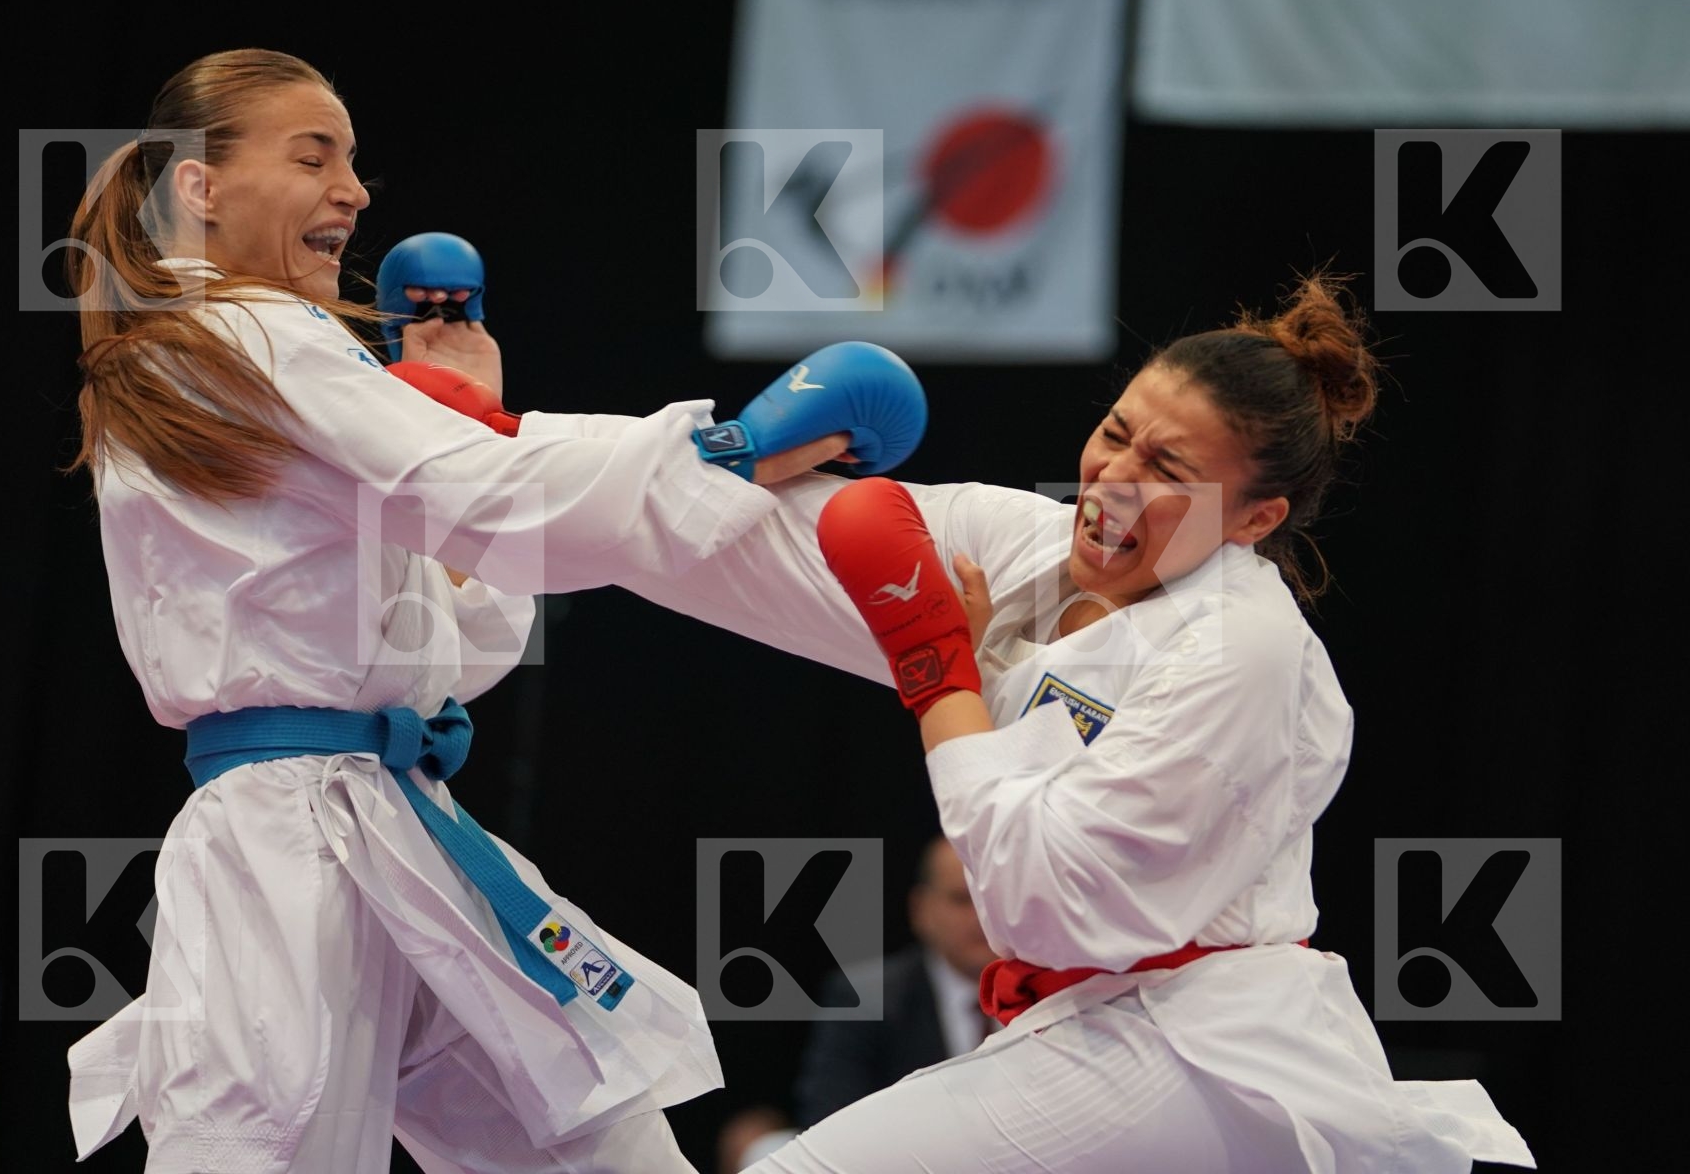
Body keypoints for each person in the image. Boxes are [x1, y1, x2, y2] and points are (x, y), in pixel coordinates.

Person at [57, 48, 918, 1173]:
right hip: (287, 846)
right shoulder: (238, 334)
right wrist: (728, 452)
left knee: (597, 1142)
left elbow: (452, 644)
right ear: (201, 186)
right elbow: (497, 495)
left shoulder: (240, 348)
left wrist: (472, 417)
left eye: (353, 163)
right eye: (313, 157)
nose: (353, 192)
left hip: (389, 823)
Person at [483, 271, 1536, 1171]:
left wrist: (944, 679)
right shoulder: (1028, 547)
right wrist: (495, 444)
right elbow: (748, 548)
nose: (1114, 479)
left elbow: (1044, 907)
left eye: (1169, 471)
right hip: (1089, 1023)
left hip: (1195, 1051)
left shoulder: (1240, 657)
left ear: (1255, 519)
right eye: (1116, 433)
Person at [793, 835, 997, 1129]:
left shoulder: (1055, 995)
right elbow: (831, 1122)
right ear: (921, 910)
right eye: (961, 899)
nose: (981, 916)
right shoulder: (865, 1000)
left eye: (993, 900)